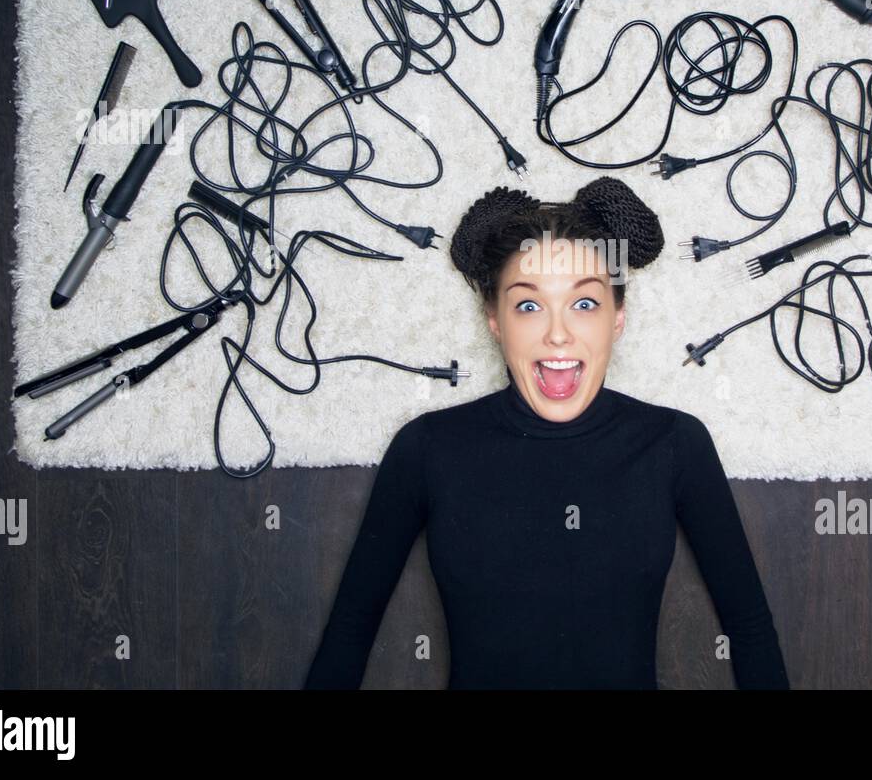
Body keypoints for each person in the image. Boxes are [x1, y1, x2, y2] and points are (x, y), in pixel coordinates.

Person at [304, 176, 789, 689]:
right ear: (494, 319)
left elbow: (749, 628)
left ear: (618, 318)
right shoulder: (427, 449)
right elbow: (350, 633)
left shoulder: (675, 444)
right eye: (529, 305)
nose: (558, 332)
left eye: (584, 304)